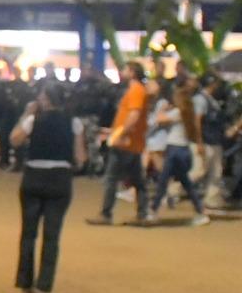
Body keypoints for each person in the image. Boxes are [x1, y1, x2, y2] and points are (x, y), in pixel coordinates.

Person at [9, 82, 88, 293]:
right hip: (59, 179)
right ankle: (44, 286)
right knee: (52, 235)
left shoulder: (34, 120)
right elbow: (80, 157)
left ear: (45, 99)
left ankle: (25, 283)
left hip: (33, 176)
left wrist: (26, 113)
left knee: (28, 233)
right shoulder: (74, 122)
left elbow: (14, 139)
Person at [89, 61, 150, 225]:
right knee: (138, 180)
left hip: (125, 142)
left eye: (124, 69)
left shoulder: (136, 90)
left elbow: (134, 116)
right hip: (131, 141)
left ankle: (106, 214)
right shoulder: (136, 90)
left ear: (132, 72)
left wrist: (119, 134)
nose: (121, 72)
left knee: (111, 178)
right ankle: (143, 213)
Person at [151, 75, 211, 226]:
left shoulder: (178, 113)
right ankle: (200, 210)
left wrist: (164, 109)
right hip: (183, 150)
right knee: (186, 182)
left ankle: (153, 210)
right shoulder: (187, 113)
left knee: (163, 181)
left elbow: (159, 119)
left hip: (174, 149)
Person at [195, 74, 227, 210]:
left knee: (216, 172)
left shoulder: (212, 100)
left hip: (215, 140)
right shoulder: (201, 99)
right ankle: (173, 191)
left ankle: (211, 199)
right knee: (199, 171)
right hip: (206, 140)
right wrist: (199, 142)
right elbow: (197, 121)